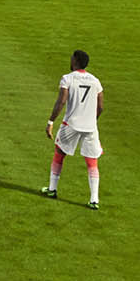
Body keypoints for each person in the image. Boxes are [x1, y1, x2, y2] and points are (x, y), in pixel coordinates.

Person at [42, 50, 103, 209]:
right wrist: (91, 120)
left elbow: (61, 101)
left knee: (59, 153)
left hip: (71, 124)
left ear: (75, 61)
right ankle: (94, 200)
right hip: (90, 127)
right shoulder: (95, 81)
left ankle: (52, 189)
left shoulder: (67, 79)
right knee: (92, 161)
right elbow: (101, 106)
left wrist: (50, 121)